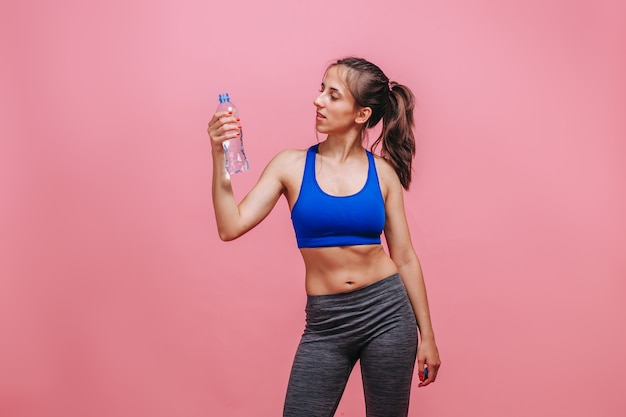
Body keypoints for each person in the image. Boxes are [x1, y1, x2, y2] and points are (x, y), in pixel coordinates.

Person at [208, 57, 441, 417]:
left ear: (361, 114)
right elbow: (230, 226)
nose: (318, 101)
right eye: (321, 91)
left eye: (333, 95)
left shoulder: (382, 174)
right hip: (326, 323)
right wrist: (218, 156)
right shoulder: (290, 165)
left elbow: (405, 256)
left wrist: (427, 336)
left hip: (389, 315)